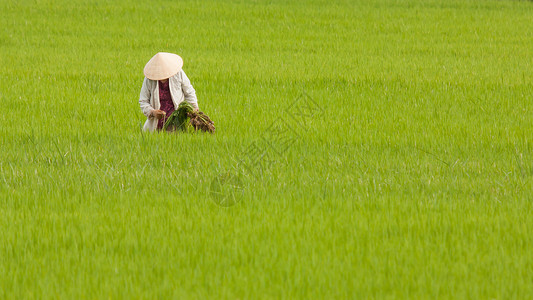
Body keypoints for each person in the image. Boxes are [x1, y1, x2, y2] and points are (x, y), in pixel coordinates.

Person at [139, 52, 199, 131]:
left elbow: (189, 92)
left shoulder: (178, 74)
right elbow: (143, 101)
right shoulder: (150, 79)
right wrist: (153, 112)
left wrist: (193, 107)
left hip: (176, 120)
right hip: (157, 123)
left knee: (175, 141)